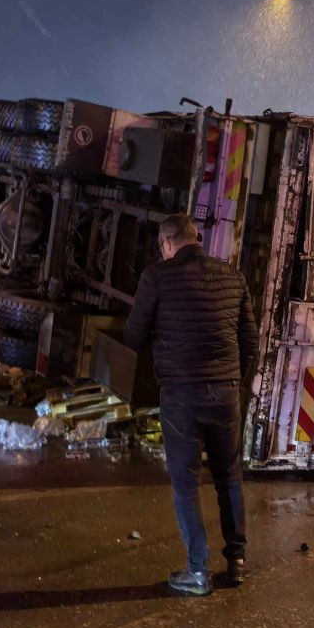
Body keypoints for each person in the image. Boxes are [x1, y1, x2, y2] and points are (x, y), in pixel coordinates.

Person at [123, 213, 258, 596]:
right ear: (195, 238)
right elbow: (250, 341)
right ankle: (237, 560)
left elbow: (132, 336)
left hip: (182, 396)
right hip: (226, 392)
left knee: (186, 485)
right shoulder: (232, 276)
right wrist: (233, 379)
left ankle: (198, 571)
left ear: (167, 244)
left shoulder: (157, 277)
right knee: (229, 477)